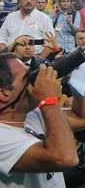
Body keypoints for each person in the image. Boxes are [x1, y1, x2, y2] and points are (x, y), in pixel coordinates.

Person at [0, 54, 79, 187]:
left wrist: (79, 77)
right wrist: (49, 100)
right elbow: (66, 158)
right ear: (3, 93)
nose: (36, 81)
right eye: (27, 78)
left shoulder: (31, 115)